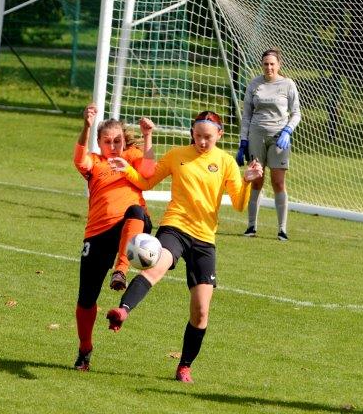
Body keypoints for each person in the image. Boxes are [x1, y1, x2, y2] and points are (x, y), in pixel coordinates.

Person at [106, 111, 263, 383]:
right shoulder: (177, 155)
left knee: (201, 312)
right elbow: (146, 182)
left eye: (208, 137)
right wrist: (127, 169)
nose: (202, 142)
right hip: (175, 227)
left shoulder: (226, 162)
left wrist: (248, 181)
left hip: (205, 240)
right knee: (156, 266)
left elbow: (239, 204)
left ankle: (184, 367)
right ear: (192, 133)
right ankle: (122, 311)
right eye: (198, 136)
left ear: (219, 135)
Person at [73, 103, 156, 371]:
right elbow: (79, 159)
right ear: (99, 143)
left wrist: (147, 136)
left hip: (132, 225)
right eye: (107, 142)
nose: (113, 146)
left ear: (124, 140)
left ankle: (120, 270)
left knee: (135, 211)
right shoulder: (95, 163)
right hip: (98, 233)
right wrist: (86, 126)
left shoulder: (132, 156)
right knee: (86, 299)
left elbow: (149, 172)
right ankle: (85, 348)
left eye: (117, 140)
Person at [236, 47, 301, 241]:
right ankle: (251, 226)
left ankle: (282, 229)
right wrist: (243, 141)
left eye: (272, 64)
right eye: (266, 64)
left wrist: (288, 131)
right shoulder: (254, 84)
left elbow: (296, 113)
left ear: (279, 65)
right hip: (256, 136)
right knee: (257, 179)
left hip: (279, 138)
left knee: (278, 181)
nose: (269, 67)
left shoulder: (288, 84)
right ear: (262, 65)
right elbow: (246, 115)